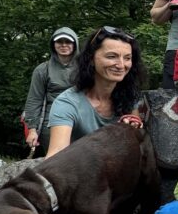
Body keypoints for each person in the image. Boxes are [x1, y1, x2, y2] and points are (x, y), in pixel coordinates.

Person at [46, 26, 145, 157]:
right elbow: (55, 157)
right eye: (112, 56)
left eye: (127, 58)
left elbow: (138, 145)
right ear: (91, 59)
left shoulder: (130, 96)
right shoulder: (67, 103)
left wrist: (133, 128)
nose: (121, 65)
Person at [23, 27, 79, 156]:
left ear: (74, 44)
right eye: (60, 42)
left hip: (80, 119)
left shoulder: (86, 68)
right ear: (54, 45)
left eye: (68, 42)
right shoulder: (42, 69)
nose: (64, 45)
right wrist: (32, 130)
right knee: (56, 161)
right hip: (52, 122)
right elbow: (34, 100)